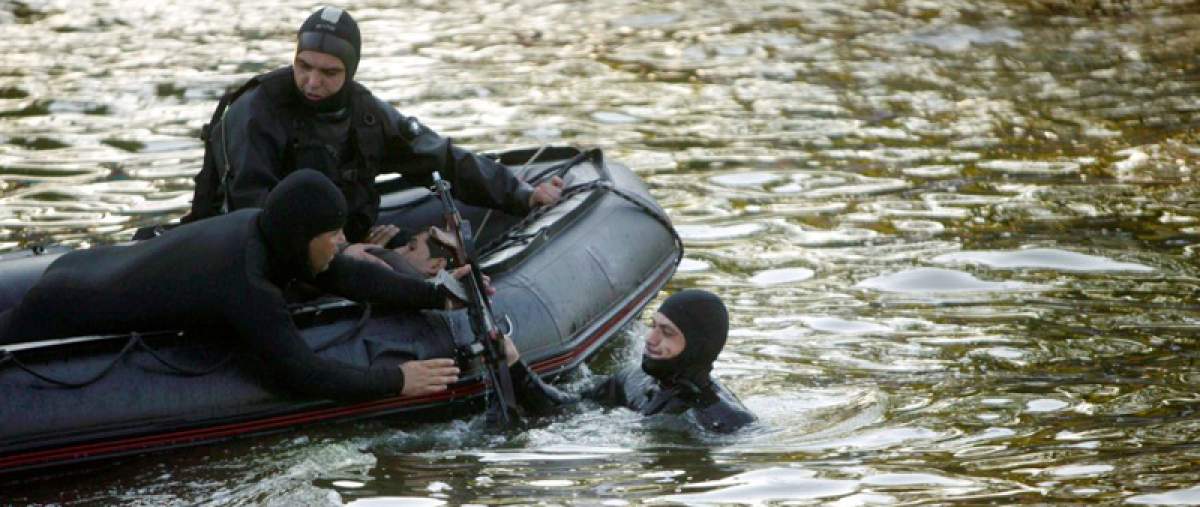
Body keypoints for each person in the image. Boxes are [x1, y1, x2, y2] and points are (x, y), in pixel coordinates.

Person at [0, 170, 461, 402]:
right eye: (333, 234)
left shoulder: (260, 228)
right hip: (60, 306)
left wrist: (435, 291)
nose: (342, 242)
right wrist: (397, 380)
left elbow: (348, 274)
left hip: (82, 267)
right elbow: (302, 372)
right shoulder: (246, 284)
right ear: (303, 236)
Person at [184, 5, 564, 245]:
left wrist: (520, 193)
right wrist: (344, 254)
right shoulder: (257, 112)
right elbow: (251, 211)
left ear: (350, 72)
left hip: (338, 244)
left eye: (329, 72)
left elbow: (438, 157)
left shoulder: (366, 113)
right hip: (267, 252)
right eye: (304, 66)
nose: (313, 82)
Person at [502, 289, 757, 434]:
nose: (650, 339)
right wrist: (514, 363)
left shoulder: (727, 422)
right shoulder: (634, 379)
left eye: (667, 333)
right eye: (653, 325)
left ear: (697, 347)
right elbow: (563, 408)